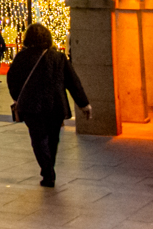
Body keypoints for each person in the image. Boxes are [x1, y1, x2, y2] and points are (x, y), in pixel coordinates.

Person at [7, 23, 91, 188]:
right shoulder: (58, 57)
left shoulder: (21, 57)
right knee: (53, 139)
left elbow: (12, 80)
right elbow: (73, 82)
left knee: (38, 139)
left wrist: (18, 97)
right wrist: (84, 104)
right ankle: (49, 168)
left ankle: (47, 172)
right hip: (55, 105)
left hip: (31, 106)